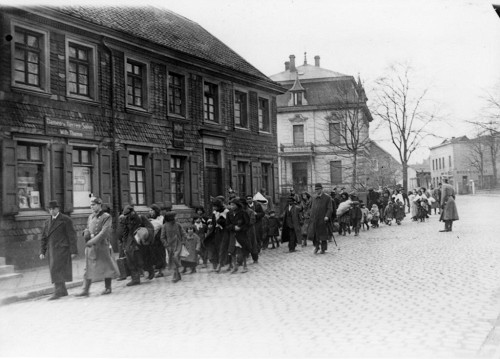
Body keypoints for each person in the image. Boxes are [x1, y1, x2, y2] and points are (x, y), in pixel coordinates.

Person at [76, 197, 119, 297]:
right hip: (92, 247)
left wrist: (92, 241)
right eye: (91, 205)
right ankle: (85, 290)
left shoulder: (106, 217)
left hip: (102, 245)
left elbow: (104, 232)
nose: (92, 207)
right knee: (88, 267)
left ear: (99, 205)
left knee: (106, 266)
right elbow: (88, 228)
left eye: (94, 205)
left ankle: (108, 288)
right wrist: (85, 232)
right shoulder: (90, 217)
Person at [40, 200, 78, 300]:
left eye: (53, 209)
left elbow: (72, 236)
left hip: (62, 249)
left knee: (57, 269)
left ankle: (58, 291)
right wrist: (42, 251)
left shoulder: (66, 220)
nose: (52, 211)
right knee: (55, 269)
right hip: (52, 250)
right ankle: (63, 291)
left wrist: (74, 251)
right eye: (50, 209)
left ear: (58, 209)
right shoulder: (47, 222)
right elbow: (44, 237)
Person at [121, 205, 154, 286]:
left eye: (128, 214)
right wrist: (124, 244)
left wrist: (144, 233)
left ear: (133, 212)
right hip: (131, 242)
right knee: (131, 259)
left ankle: (150, 271)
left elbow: (151, 228)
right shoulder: (126, 219)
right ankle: (135, 279)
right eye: (126, 215)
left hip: (141, 242)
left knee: (143, 260)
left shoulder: (141, 218)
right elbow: (125, 232)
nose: (127, 216)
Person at [307, 183, 333, 254]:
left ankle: (323, 248)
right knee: (315, 234)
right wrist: (310, 215)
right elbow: (311, 207)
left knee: (323, 235)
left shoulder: (327, 198)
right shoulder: (314, 198)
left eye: (318, 189)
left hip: (323, 219)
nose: (316, 191)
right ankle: (316, 247)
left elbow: (330, 209)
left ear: (321, 189)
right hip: (314, 219)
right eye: (315, 189)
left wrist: (327, 216)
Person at [161, 211, 187, 282]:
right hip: (170, 246)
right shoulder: (164, 226)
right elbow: (162, 237)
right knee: (172, 260)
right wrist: (166, 245)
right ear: (171, 218)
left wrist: (183, 241)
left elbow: (184, 233)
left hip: (178, 244)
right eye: (175, 216)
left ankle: (175, 275)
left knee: (175, 257)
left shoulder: (178, 225)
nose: (177, 217)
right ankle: (177, 274)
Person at [148, 204, 167, 278]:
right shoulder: (149, 219)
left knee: (160, 254)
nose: (150, 212)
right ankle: (155, 270)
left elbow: (163, 227)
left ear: (156, 211)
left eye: (152, 210)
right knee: (153, 255)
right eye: (149, 211)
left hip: (159, 239)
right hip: (152, 239)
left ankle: (160, 271)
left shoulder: (161, 218)